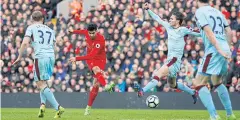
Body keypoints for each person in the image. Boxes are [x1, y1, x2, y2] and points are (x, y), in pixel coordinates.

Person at [134, 2, 200, 104]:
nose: (170, 20)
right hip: (170, 61)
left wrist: (209, 32)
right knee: (172, 85)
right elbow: (157, 18)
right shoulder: (168, 27)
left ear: (178, 21)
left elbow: (197, 32)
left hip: (174, 61)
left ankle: (142, 91)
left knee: (158, 73)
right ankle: (193, 92)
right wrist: (148, 10)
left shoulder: (183, 30)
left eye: (172, 18)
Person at [12, 11, 64, 118]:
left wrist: (19, 56)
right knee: (43, 82)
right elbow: (55, 48)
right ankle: (42, 105)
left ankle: (58, 108)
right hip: (51, 57)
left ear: (32, 19)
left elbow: (25, 43)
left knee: (40, 84)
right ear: (43, 19)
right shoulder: (50, 30)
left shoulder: (31, 27)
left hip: (40, 57)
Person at [194, 0, 236, 120]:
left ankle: (214, 116)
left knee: (198, 83)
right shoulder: (218, 12)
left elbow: (209, 32)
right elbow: (228, 31)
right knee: (217, 81)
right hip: (224, 47)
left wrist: (219, 50)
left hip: (215, 49)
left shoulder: (200, 12)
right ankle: (230, 114)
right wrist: (227, 48)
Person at [68, 23, 115, 115]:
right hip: (91, 61)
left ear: (96, 31)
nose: (91, 35)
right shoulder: (87, 32)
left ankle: (88, 107)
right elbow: (82, 31)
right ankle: (106, 85)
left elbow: (92, 55)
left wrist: (76, 58)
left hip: (100, 59)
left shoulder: (100, 39)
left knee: (96, 84)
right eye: (90, 33)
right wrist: (73, 31)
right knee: (96, 70)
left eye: (93, 33)